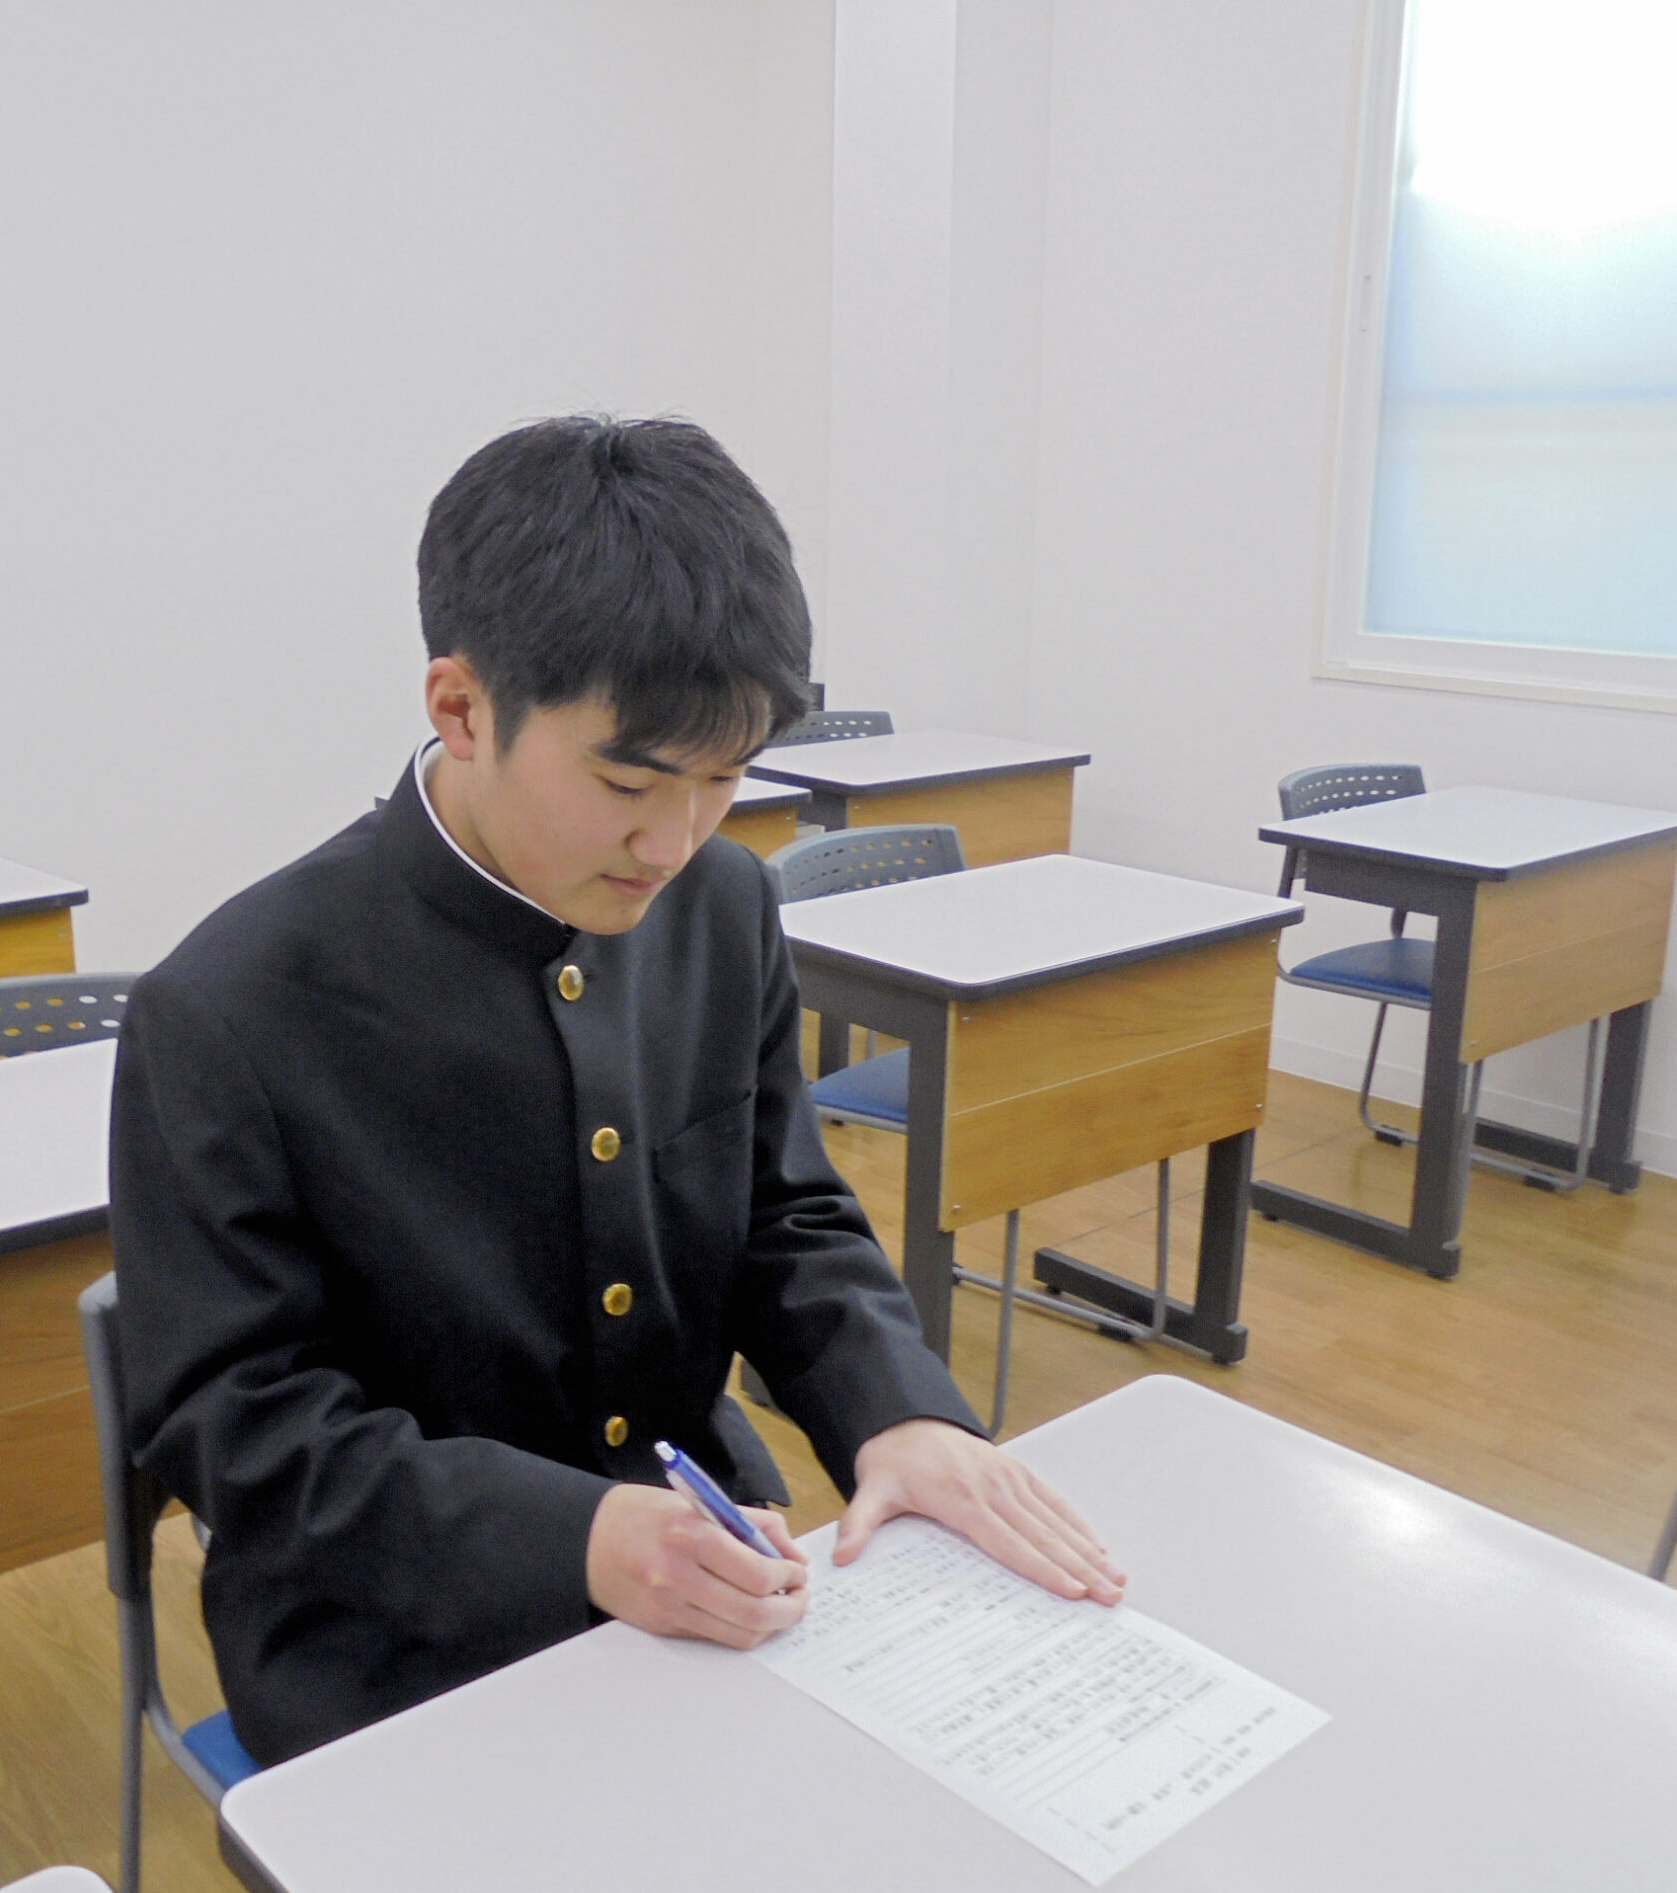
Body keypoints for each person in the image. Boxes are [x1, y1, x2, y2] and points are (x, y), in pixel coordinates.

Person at [108, 415, 1123, 1766]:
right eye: (629, 780)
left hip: (705, 1538)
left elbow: (785, 1218)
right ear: (461, 709)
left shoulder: (724, 906)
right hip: (391, 1644)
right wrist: (577, 1537)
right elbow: (236, 1429)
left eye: (725, 779)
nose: (675, 839)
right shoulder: (231, 1007)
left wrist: (901, 1413)